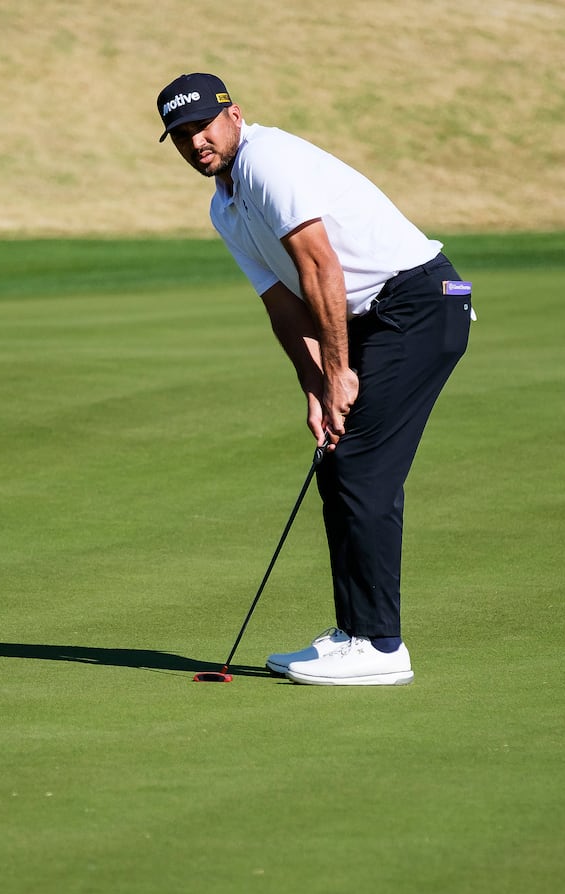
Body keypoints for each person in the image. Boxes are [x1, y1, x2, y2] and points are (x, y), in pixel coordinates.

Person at [156, 73, 473, 686]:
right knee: (337, 458)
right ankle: (353, 632)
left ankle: (382, 649)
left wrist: (339, 374)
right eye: (181, 136)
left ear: (234, 115)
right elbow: (284, 304)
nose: (195, 143)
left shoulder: (268, 162)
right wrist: (315, 385)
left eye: (203, 127)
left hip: (421, 301)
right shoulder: (225, 206)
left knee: (361, 464)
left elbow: (320, 265)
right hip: (373, 317)